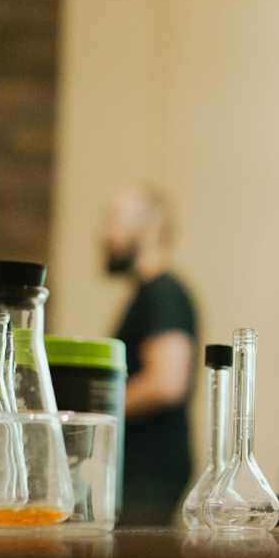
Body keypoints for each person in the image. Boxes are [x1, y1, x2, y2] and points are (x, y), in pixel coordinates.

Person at [102, 183, 198, 525]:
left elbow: (166, 383)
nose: (104, 233)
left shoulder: (163, 294)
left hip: (149, 482)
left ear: (150, 229)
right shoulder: (147, 296)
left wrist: (96, 413)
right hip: (141, 479)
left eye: (114, 220)